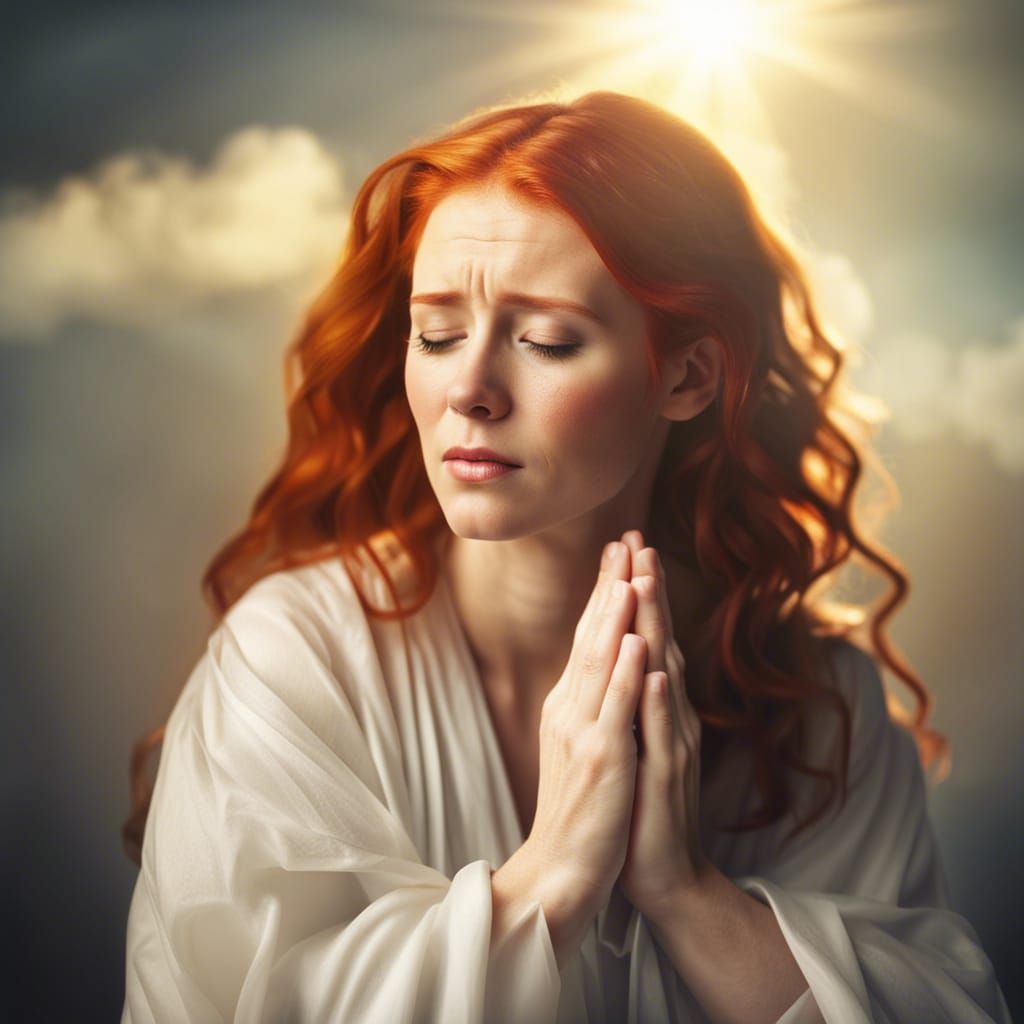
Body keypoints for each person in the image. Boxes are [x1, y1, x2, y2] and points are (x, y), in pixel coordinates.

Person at [120, 91, 1011, 1023]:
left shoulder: (818, 709)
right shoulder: (291, 660)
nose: (468, 389)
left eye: (546, 339)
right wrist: (549, 880)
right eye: (436, 333)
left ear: (688, 375)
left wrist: (687, 893)